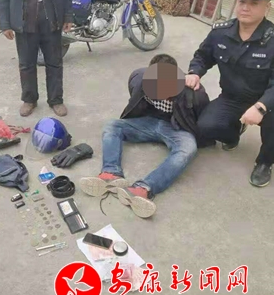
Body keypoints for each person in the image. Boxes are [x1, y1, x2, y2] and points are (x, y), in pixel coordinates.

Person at [186, 0, 274, 188]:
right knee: (206, 126)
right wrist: (194, 72)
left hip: (266, 101)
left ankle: (265, 162)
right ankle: (233, 134)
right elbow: (203, 56)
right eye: (242, 1)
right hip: (231, 97)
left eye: (254, 3)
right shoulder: (220, 32)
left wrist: (260, 107)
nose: (245, 7)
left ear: (267, 7)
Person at [80, 54, 212, 218]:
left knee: (188, 148)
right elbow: (134, 99)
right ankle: (110, 173)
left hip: (176, 128)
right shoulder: (138, 80)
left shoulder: (194, 93)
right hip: (149, 122)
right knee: (112, 125)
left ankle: (142, 189)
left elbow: (204, 120)